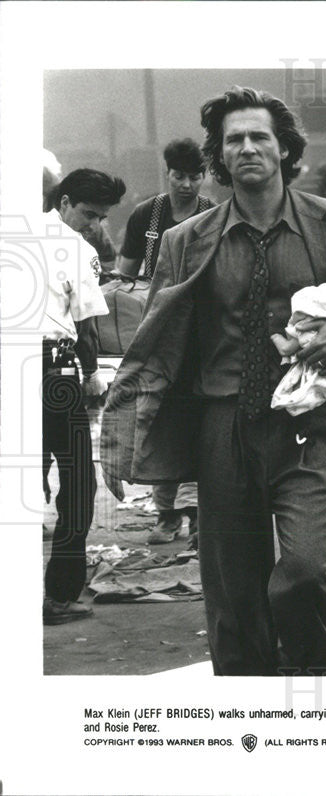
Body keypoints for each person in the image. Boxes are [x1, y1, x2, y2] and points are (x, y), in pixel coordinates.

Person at [100, 86, 326, 676]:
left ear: (285, 149)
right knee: (233, 595)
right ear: (220, 156)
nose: (248, 148)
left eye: (260, 136)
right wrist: (122, 430)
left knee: (306, 568)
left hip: (312, 425)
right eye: (234, 139)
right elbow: (157, 343)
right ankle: (249, 710)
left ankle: (306, 666)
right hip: (223, 428)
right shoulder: (187, 242)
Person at [117, 138, 215, 545]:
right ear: (167, 173)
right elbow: (124, 277)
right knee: (157, 421)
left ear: (205, 176)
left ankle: (197, 516)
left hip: (204, 337)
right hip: (158, 335)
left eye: (195, 176)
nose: (188, 184)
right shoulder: (147, 215)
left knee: (202, 424)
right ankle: (166, 515)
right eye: (180, 176)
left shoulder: (214, 214)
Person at [41, 168, 126, 624]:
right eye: (90, 214)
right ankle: (60, 596)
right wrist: (92, 378)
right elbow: (87, 329)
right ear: (67, 201)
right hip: (54, 371)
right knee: (77, 485)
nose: (94, 225)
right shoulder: (77, 249)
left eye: (101, 218)